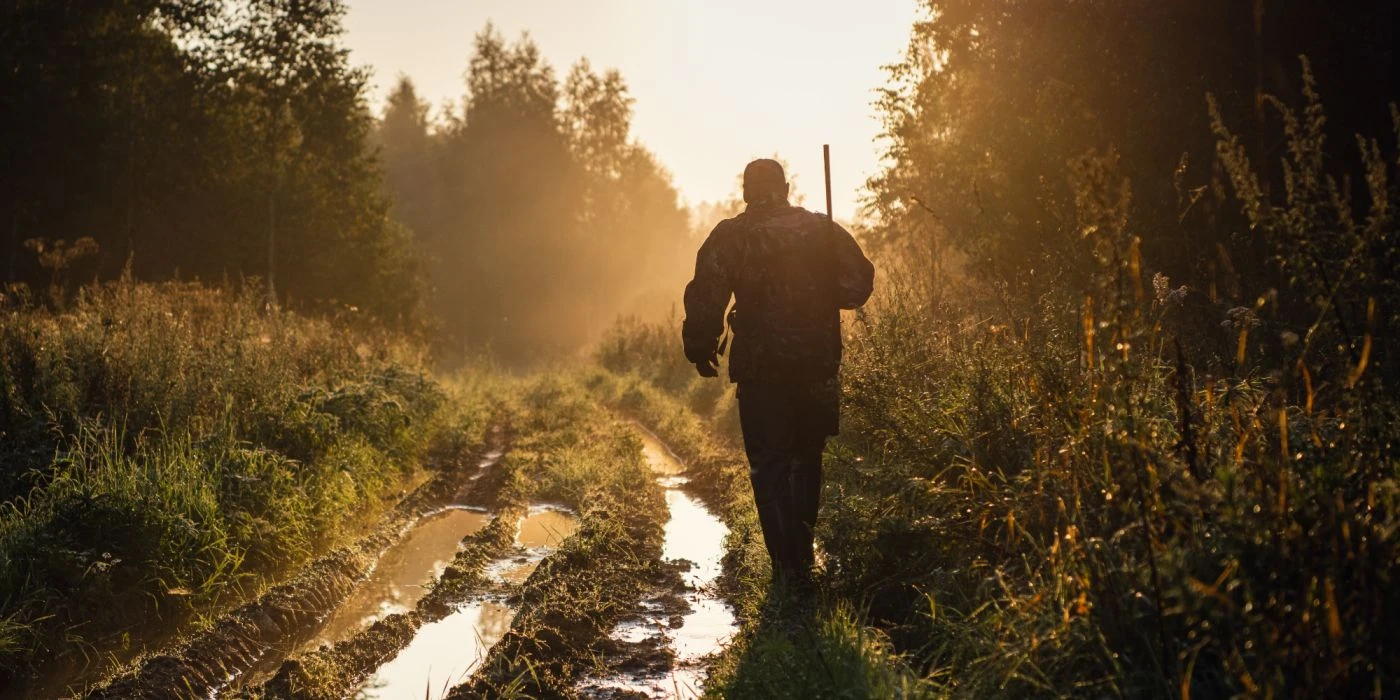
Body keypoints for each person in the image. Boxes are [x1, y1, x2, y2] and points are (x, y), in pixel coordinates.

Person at [682, 158, 874, 591]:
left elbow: (706, 295)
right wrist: (822, 277)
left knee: (768, 464)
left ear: (747, 190)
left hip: (761, 368)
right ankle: (803, 560)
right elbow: (856, 288)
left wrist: (699, 346)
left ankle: (784, 567)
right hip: (816, 364)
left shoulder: (732, 235)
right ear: (785, 187)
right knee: (807, 460)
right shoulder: (822, 230)